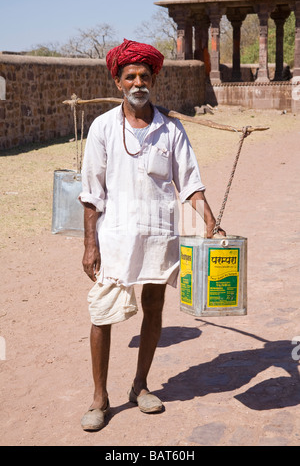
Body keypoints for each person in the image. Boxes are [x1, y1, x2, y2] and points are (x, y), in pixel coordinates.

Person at [79, 39, 225, 431]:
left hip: (160, 236)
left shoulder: (171, 130)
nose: (138, 82)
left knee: (154, 308)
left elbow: (190, 182)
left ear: (154, 79)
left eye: (145, 75)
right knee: (102, 314)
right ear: (118, 82)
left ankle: (140, 386)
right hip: (114, 238)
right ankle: (99, 397)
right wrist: (90, 243)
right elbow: (91, 193)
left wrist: (210, 220)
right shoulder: (103, 128)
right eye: (131, 76)